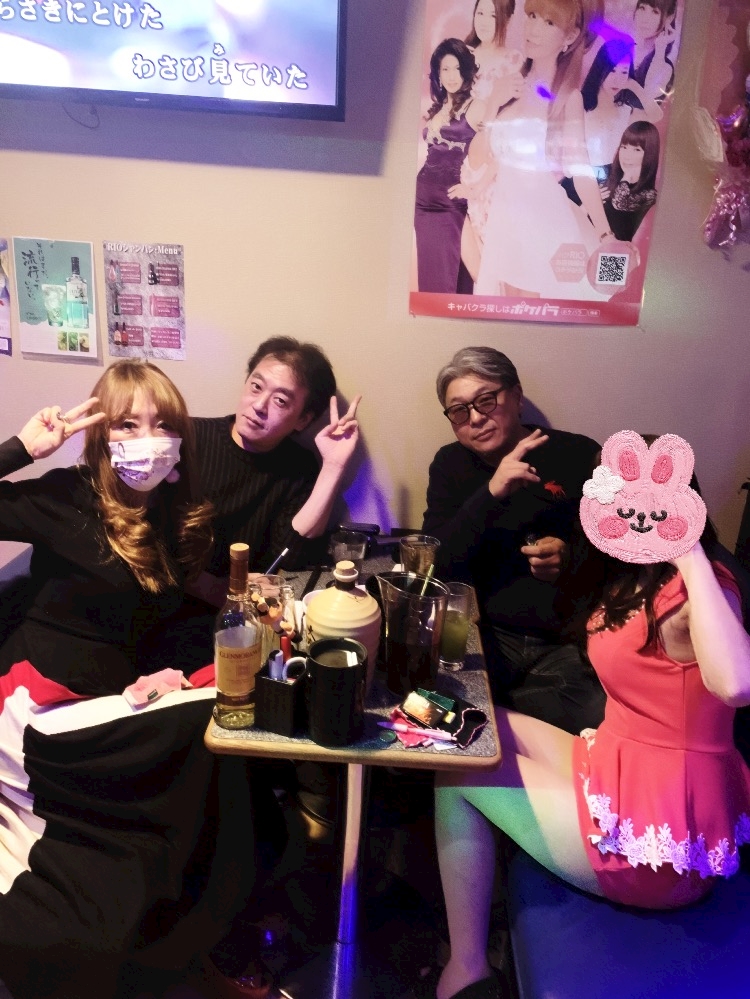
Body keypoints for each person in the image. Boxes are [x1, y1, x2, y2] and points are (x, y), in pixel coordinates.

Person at [423, 446, 750, 999]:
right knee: (477, 728)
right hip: (618, 763)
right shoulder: (635, 573)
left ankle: (467, 969)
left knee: (458, 772)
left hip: (658, 838)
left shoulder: (703, 588)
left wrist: (690, 551)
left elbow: (737, 684)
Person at [0, 361, 281, 999]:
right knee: (208, 724)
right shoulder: (65, 498)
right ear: (102, 435)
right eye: (128, 424)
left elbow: (173, 595)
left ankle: (208, 923)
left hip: (109, 701)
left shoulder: (175, 512)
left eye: (162, 424)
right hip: (39, 711)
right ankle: (211, 928)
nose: (148, 439)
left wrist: (248, 607)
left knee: (234, 708)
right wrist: (22, 448)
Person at [422, 346, 605, 735]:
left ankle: (486, 716)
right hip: (483, 633)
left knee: (596, 712)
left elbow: (616, 552)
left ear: (517, 396)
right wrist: (490, 492)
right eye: (459, 411)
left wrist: (569, 556)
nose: (475, 418)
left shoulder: (577, 454)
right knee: (421, 696)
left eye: (486, 401)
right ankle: (492, 717)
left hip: (562, 641)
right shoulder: (450, 464)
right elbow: (437, 561)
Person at [468, 0, 615, 299]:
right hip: (505, 222)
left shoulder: (568, 98)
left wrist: (606, 235)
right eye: (532, 16)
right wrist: (493, 104)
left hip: (542, 223)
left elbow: (581, 172)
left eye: (549, 23)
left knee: (536, 315)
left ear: (570, 36)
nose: (533, 28)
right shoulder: (508, 84)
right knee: (505, 312)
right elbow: (479, 157)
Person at [415, 38, 505, 294]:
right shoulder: (436, 109)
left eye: (457, 68)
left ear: (466, 70)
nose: (451, 76)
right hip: (422, 202)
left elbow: (499, 153)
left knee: (459, 274)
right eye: (445, 69)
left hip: (451, 203)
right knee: (430, 274)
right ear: (438, 73)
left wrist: (474, 189)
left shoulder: (477, 107)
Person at [581, 38, 662, 185]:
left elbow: (656, 115)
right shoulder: (580, 106)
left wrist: (634, 86)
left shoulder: (625, 113)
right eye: (612, 70)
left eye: (624, 72)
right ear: (601, 69)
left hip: (611, 185)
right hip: (580, 183)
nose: (617, 79)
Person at [601, 119, 660, 241]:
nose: (627, 155)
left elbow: (619, 203)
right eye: (624, 147)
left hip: (616, 250)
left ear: (649, 154)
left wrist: (627, 176)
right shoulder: (607, 175)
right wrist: (589, 204)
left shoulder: (649, 195)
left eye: (637, 150)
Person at [629, 0, 679, 105]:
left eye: (655, 12)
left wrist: (660, 48)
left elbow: (646, 100)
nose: (645, 19)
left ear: (669, 18)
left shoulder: (664, 66)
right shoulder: (622, 51)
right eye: (642, 8)